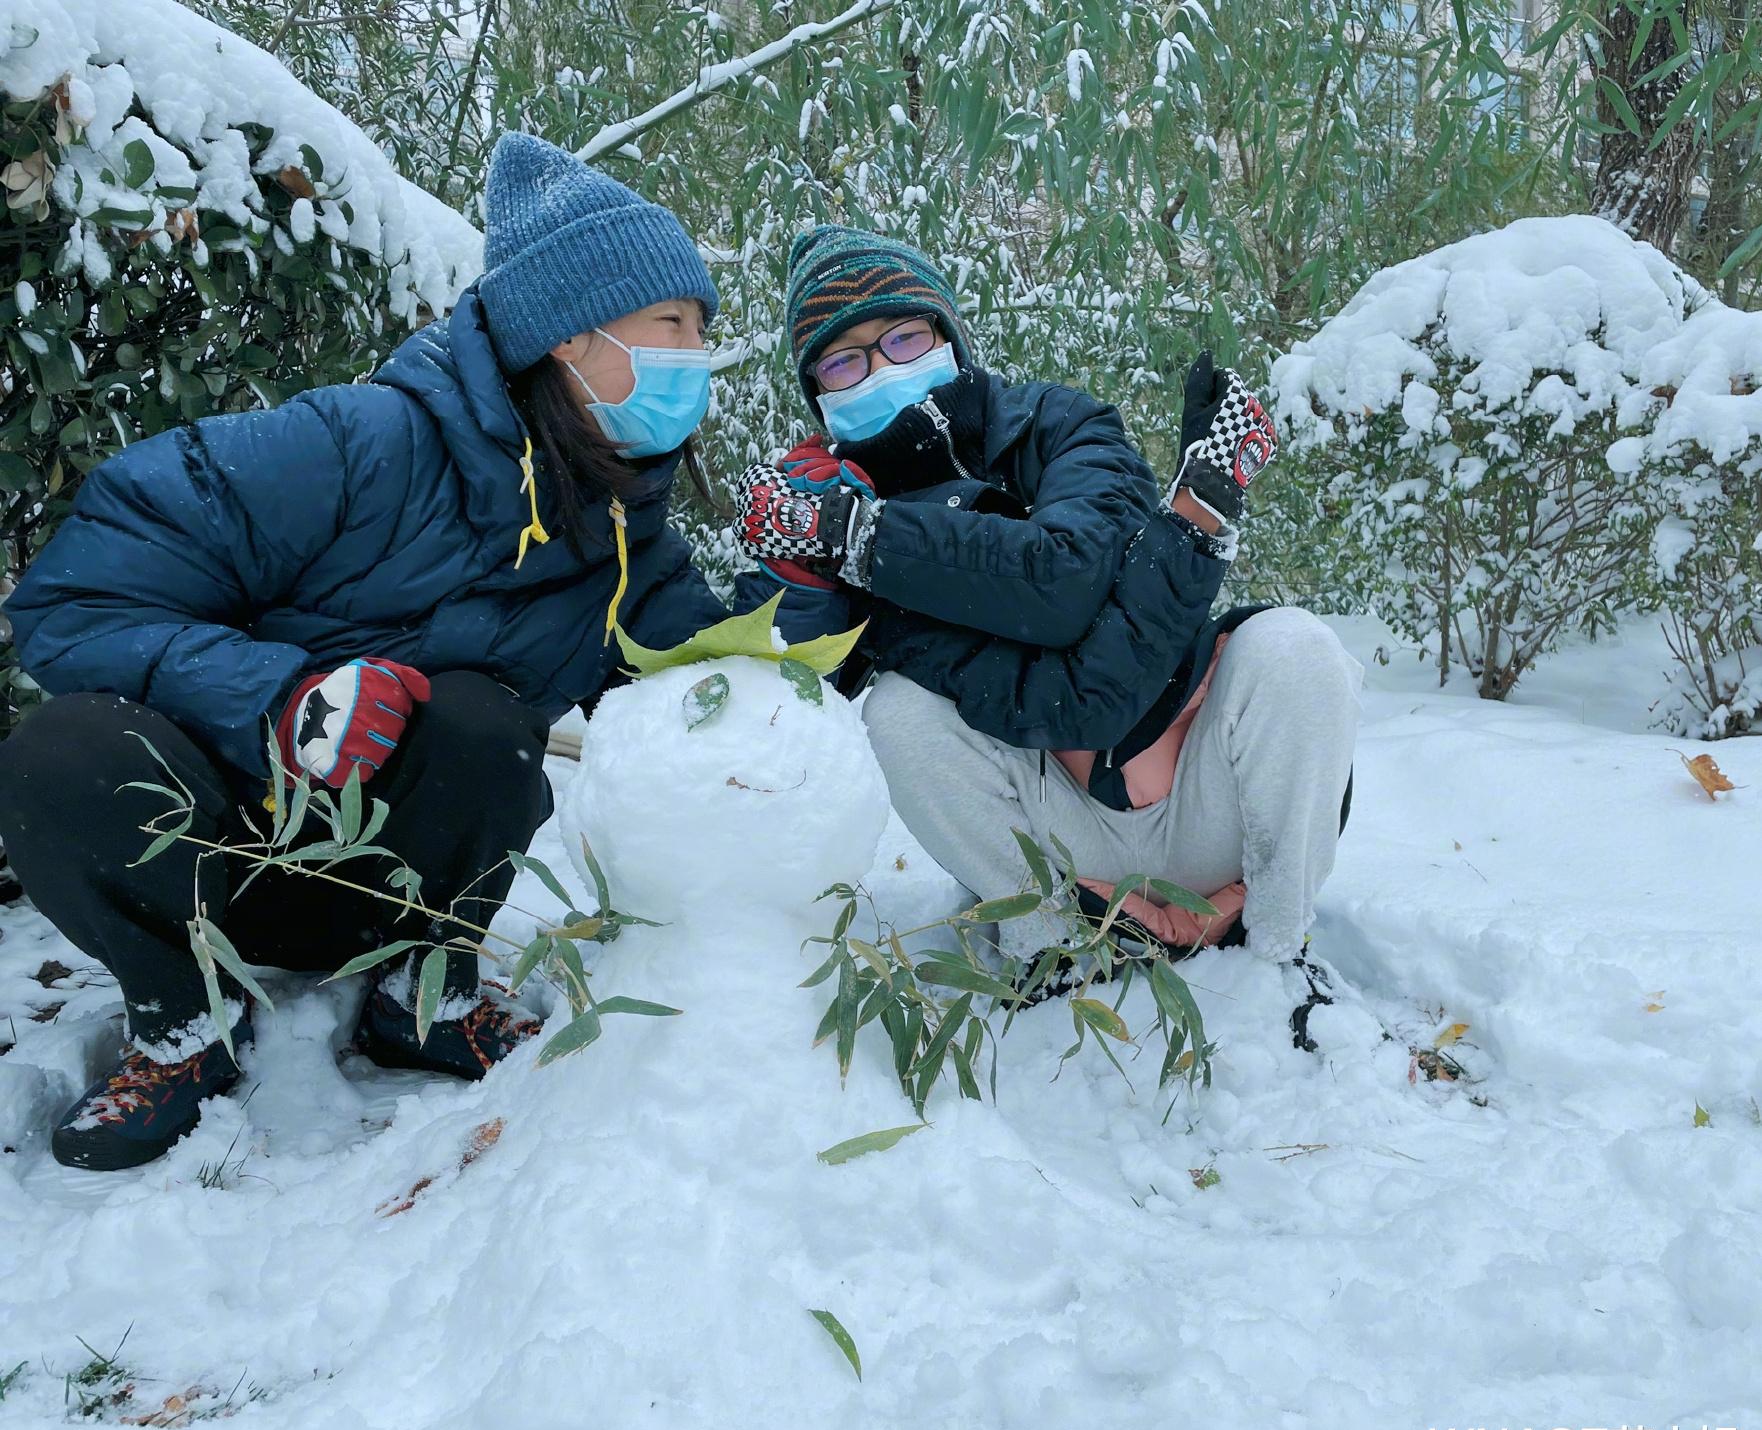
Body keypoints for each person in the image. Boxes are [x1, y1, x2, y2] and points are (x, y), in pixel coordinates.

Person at [0, 133, 845, 1171]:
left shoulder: (625, 541)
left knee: (484, 722)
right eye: (673, 323)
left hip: (382, 891)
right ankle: (183, 1020)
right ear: (567, 337)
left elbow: (726, 687)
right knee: (64, 751)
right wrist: (280, 698)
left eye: (701, 329)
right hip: (209, 857)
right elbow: (76, 596)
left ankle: (423, 996)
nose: (696, 354)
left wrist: (813, 568)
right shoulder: (353, 446)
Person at [734, 225, 1361, 1034]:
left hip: (1204, 801)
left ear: (948, 337)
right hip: (1056, 840)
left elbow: (1064, 581)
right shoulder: (831, 500)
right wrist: (795, 561)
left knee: (1295, 648)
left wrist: (864, 539)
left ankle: (1279, 949)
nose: (882, 369)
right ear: (818, 393)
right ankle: (1051, 949)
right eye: (844, 361)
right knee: (899, 711)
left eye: (903, 337)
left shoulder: (1060, 424)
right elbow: (799, 687)